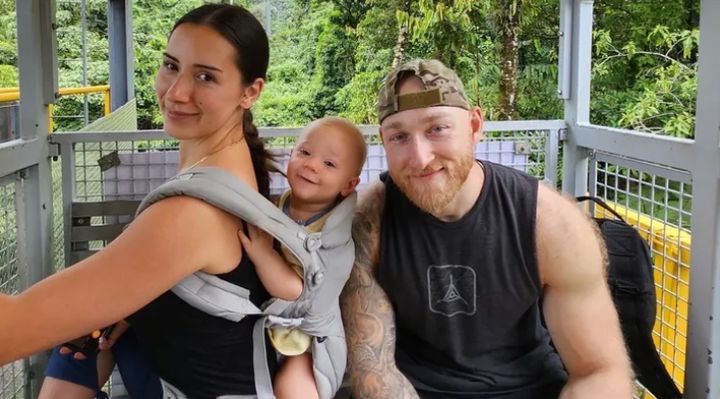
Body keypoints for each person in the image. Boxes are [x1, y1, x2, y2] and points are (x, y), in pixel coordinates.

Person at [0, 4, 281, 398]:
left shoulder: (192, 214)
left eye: (205, 77)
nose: (176, 91)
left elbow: (8, 332)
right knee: (85, 337)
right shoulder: (231, 178)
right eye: (170, 65)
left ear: (250, 92)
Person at [339, 59, 634, 399]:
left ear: (475, 125)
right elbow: (375, 374)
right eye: (399, 136)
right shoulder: (369, 223)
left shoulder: (550, 223)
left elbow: (599, 372)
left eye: (437, 128)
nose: (420, 158)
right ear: (383, 141)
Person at [238, 116, 367, 399]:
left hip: (308, 338)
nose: (311, 165)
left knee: (293, 390)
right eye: (305, 153)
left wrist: (262, 255)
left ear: (348, 185)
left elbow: (297, 293)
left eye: (329, 164)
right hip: (268, 321)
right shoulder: (277, 206)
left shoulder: (334, 240)